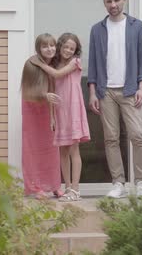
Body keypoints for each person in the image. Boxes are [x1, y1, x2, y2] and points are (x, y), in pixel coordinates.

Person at [87, 0, 142, 198]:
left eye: (116, 1)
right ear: (104, 3)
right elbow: (93, 64)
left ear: (124, 1)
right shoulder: (97, 29)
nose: (113, 5)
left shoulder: (136, 26)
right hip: (106, 92)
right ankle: (118, 183)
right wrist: (93, 92)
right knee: (111, 138)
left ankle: (141, 182)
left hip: (131, 90)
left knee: (137, 136)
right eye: (109, 1)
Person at [20, 33, 64, 199]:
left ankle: (54, 186)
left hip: (48, 110)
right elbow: (27, 91)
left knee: (52, 149)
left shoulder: (53, 65)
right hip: (33, 111)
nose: (49, 49)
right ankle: (36, 187)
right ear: (38, 48)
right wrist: (44, 96)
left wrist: (52, 112)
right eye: (45, 46)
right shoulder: (31, 64)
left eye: (52, 45)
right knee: (33, 149)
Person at [50, 33, 91, 202]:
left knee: (74, 150)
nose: (68, 50)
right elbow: (52, 90)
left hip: (73, 108)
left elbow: (58, 75)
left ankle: (76, 189)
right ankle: (67, 188)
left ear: (76, 51)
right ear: (60, 46)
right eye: (66, 47)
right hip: (60, 110)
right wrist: (52, 116)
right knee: (62, 151)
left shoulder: (75, 62)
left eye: (72, 48)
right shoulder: (54, 64)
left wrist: (38, 63)